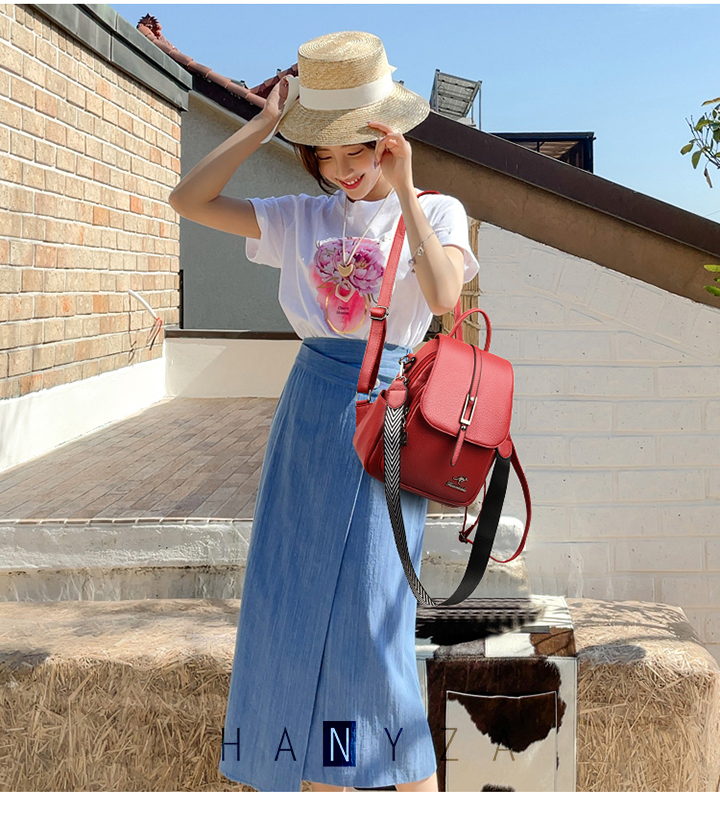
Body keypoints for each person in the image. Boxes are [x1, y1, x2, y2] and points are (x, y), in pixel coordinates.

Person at [169, 30, 479, 793]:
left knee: (375, 620)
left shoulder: (436, 211)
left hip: (391, 415)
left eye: (357, 149)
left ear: (388, 137)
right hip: (311, 408)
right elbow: (188, 200)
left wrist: (404, 187)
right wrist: (260, 127)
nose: (342, 169)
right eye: (325, 154)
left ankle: (408, 781)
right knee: (291, 598)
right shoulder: (300, 218)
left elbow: (445, 299)